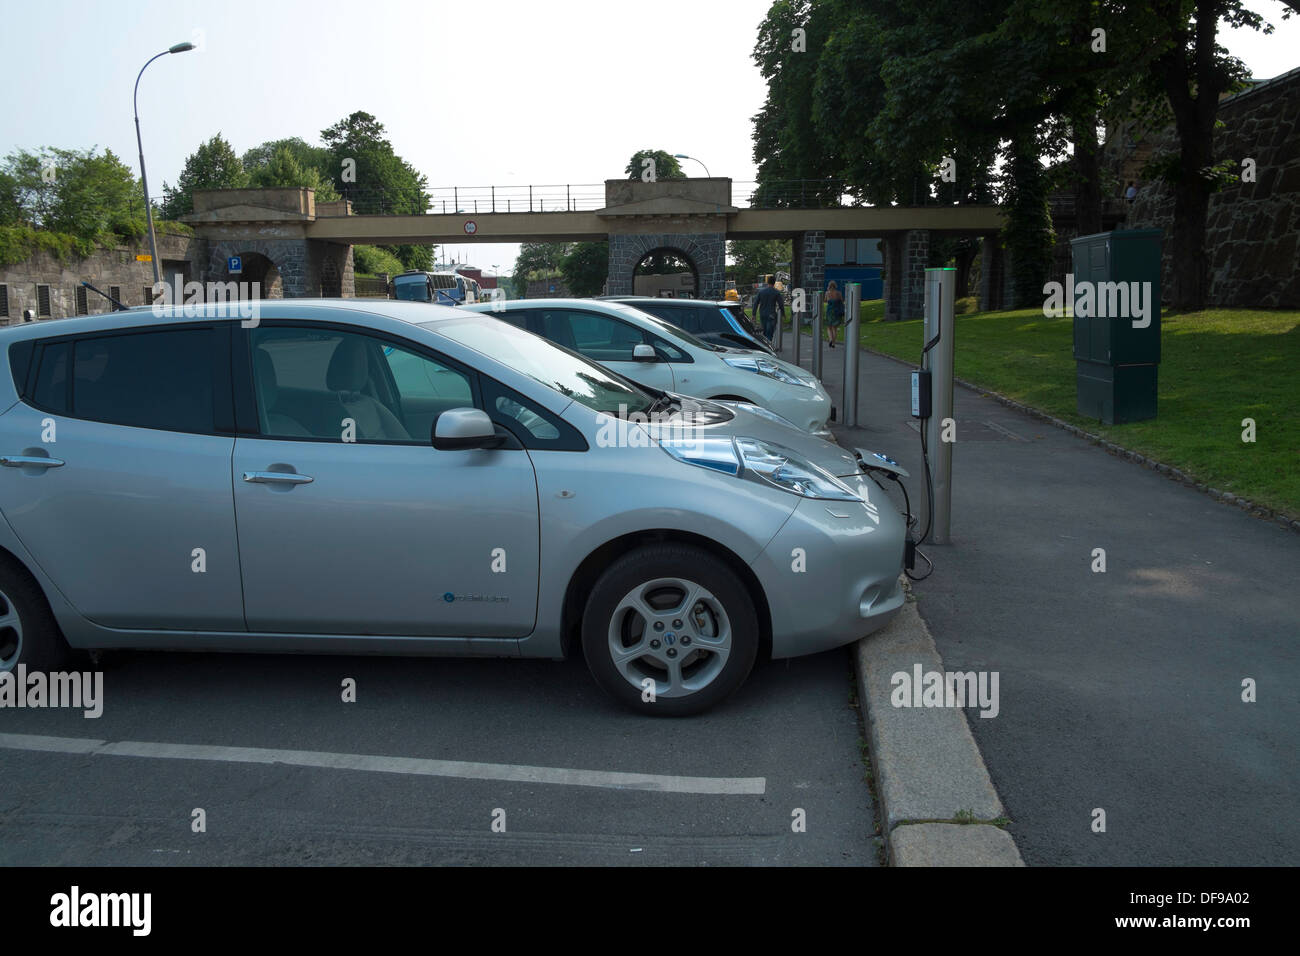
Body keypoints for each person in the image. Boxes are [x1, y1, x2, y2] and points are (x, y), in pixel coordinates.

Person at [752, 274, 785, 341]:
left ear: (767, 282)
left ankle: (765, 345)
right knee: (770, 333)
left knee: (764, 331)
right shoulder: (776, 292)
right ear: (774, 282)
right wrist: (783, 314)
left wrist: (754, 314)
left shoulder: (761, 292)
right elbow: (781, 304)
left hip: (762, 313)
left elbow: (756, 303)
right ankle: (769, 346)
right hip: (771, 314)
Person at [824, 280, 845, 348]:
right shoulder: (838, 293)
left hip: (830, 311)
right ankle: (833, 343)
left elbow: (826, 300)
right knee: (834, 328)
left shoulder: (827, 293)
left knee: (829, 327)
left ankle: (830, 339)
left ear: (829, 286)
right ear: (835, 286)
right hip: (837, 311)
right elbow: (842, 301)